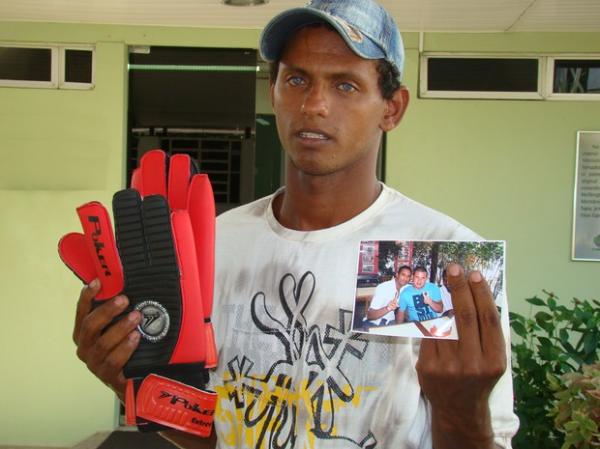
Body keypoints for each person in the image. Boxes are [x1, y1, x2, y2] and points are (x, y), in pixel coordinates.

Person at [72, 0, 519, 448]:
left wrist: (463, 408)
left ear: (392, 109)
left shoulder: (438, 256)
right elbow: (213, 436)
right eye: (297, 79)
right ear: (274, 91)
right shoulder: (215, 246)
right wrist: (133, 381)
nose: (314, 105)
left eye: (345, 85)